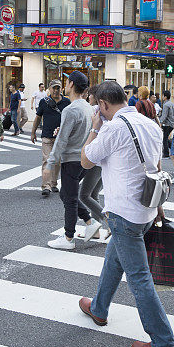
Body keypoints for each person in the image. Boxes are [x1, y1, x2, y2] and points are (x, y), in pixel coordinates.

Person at [79, 80, 174, 347]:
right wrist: (159, 206)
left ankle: (163, 343)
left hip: (124, 214)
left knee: (139, 278)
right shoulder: (151, 125)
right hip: (146, 209)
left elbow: (86, 160)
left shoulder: (112, 128)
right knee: (114, 259)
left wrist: (95, 127)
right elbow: (156, 168)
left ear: (105, 104)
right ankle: (99, 308)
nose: (99, 111)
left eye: (99, 107)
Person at [47, 71, 98, 249]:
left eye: (67, 82)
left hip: (71, 159)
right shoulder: (87, 107)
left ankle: (68, 238)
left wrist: (50, 163)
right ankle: (91, 223)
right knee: (66, 194)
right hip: (84, 158)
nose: (65, 85)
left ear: (71, 84)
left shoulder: (70, 109)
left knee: (69, 199)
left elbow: (61, 140)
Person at [77, 86, 109, 241]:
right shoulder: (107, 112)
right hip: (105, 160)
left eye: (89, 95)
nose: (88, 98)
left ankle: (110, 223)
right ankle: (95, 229)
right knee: (93, 194)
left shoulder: (94, 110)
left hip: (94, 158)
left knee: (83, 195)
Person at [31, 79, 70, 196]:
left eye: (58, 88)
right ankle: (46, 186)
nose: (56, 90)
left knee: (57, 162)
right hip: (47, 136)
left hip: (61, 137)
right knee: (47, 160)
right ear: (49, 89)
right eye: (54, 88)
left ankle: (53, 183)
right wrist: (33, 132)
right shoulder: (44, 102)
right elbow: (38, 117)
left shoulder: (67, 102)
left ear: (61, 89)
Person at [159, 90, 174, 158]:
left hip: (167, 124)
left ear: (165, 96)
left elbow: (164, 116)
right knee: (166, 138)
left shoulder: (166, 105)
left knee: (164, 138)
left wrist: (160, 122)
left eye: (162, 95)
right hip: (172, 123)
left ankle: (166, 153)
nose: (162, 97)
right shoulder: (172, 104)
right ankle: (173, 149)